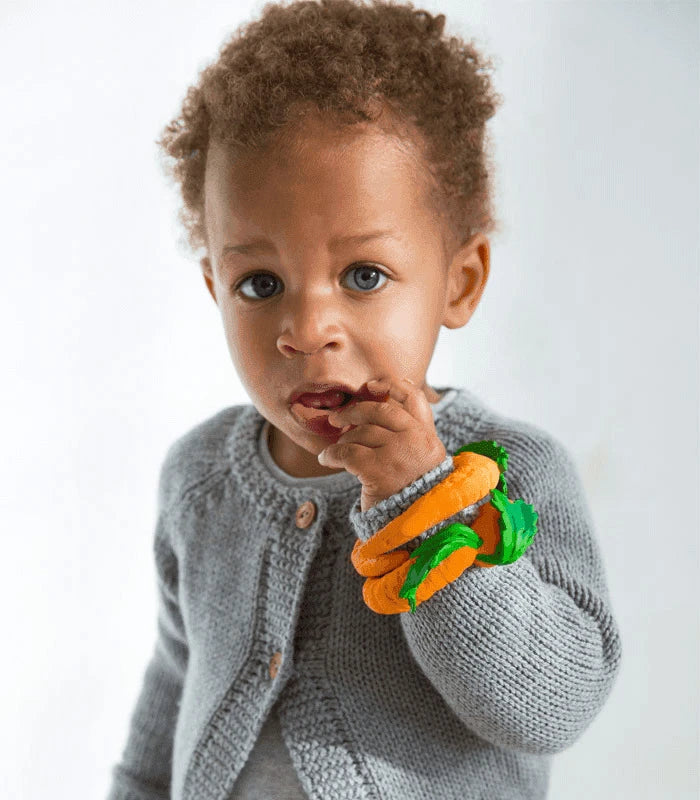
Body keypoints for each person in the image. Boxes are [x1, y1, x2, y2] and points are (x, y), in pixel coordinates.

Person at [106, 1, 622, 798]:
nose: (307, 330)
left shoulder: (509, 471)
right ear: (215, 288)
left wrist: (427, 503)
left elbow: (554, 704)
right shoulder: (200, 478)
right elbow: (173, 695)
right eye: (260, 284)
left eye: (363, 275)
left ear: (459, 281)